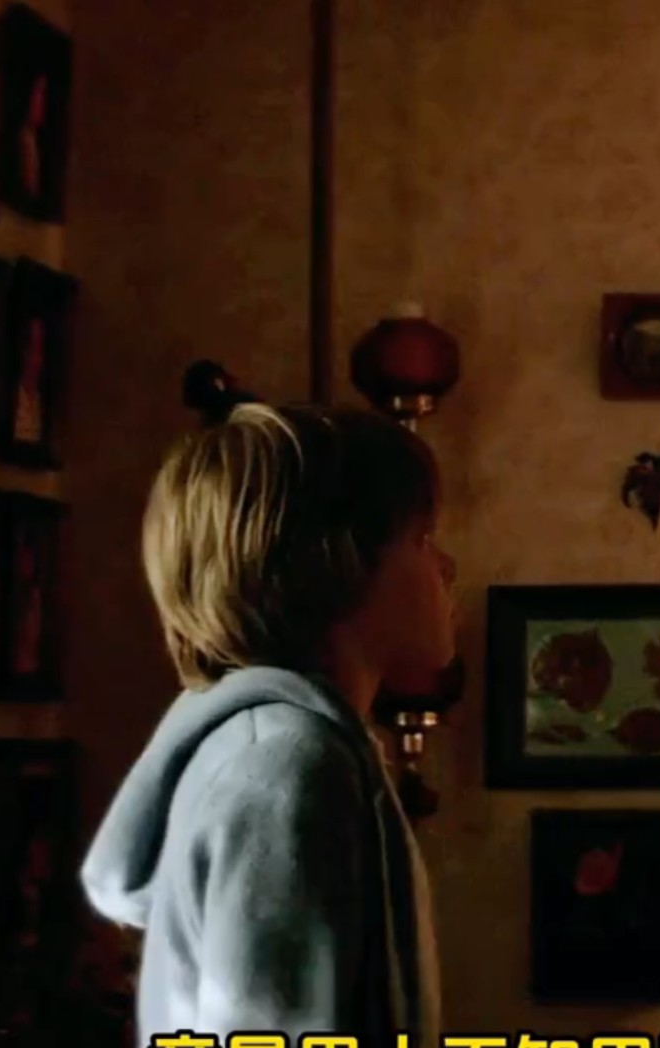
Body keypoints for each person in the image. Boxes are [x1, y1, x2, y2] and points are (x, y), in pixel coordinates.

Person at [79, 402, 454, 1045]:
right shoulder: (287, 766)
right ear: (334, 564)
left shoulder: (280, 747)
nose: (446, 567)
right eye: (420, 541)